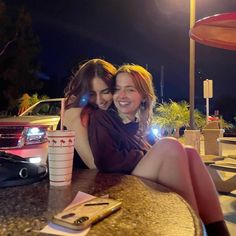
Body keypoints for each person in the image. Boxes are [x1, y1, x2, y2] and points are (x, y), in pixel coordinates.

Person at [87, 64, 229, 236]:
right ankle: (192, 230)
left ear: (143, 96)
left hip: (140, 175)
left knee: (190, 151)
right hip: (123, 182)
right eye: (117, 89)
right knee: (170, 145)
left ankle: (219, 231)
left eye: (130, 90)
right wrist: (146, 154)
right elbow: (107, 161)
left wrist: (150, 153)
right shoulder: (103, 117)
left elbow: (153, 153)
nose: (121, 96)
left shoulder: (139, 125)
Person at [62, 58, 117, 169]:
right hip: (76, 183)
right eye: (91, 94)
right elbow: (94, 165)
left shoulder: (109, 114)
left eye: (106, 92)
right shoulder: (75, 113)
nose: (99, 100)